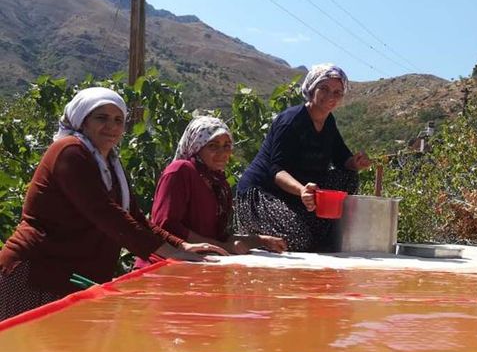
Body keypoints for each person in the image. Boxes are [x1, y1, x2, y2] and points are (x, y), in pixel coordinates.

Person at [0, 87, 227, 321]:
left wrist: (181, 246)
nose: (112, 127)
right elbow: (105, 214)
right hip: (37, 274)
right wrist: (169, 252)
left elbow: (134, 217)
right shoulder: (70, 151)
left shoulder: (109, 162)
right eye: (102, 118)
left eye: (118, 120)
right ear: (83, 121)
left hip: (70, 274)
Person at [236, 64, 372, 252]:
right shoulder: (291, 121)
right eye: (324, 88)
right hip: (263, 193)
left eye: (337, 92)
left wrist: (355, 162)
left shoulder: (328, 122)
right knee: (298, 239)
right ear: (311, 88)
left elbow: (342, 158)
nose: (330, 96)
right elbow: (276, 170)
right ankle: (254, 238)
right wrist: (301, 190)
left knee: (348, 176)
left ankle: (319, 229)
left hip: (296, 197)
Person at [137, 116, 286, 267]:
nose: (222, 153)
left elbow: (217, 236)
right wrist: (221, 247)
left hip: (198, 264)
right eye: (213, 146)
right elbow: (166, 225)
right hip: (163, 265)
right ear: (197, 147)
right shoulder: (180, 171)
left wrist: (261, 241)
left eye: (227, 145)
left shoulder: (219, 183)